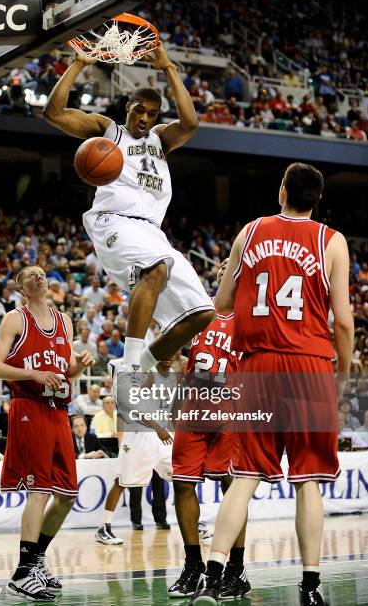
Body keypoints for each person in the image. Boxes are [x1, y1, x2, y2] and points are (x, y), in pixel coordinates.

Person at [191, 162, 354, 605]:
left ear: (282, 191)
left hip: (258, 365)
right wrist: (343, 374)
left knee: (243, 478)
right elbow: (342, 320)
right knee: (308, 481)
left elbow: (221, 303)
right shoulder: (332, 241)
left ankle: (213, 573)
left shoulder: (250, 231)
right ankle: (310, 586)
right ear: (317, 199)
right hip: (310, 366)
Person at [43, 43, 214, 416]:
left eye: (152, 113)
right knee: (156, 269)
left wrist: (168, 67)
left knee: (202, 314)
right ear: (128, 109)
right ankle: (133, 366)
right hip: (114, 222)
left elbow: (191, 124)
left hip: (152, 232)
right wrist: (78, 65)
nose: (145, 118)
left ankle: (136, 368)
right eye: (140, 110)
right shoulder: (109, 132)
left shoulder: (160, 140)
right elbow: (53, 112)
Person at [0, 265, 94, 602]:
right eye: (31, 275)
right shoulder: (15, 319)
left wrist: (79, 366)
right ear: (21, 287)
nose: (39, 276)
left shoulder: (64, 320)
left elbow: (65, 372)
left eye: (42, 273)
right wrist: (32, 374)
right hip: (28, 409)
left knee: (66, 495)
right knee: (40, 491)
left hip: (58, 412)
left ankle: (36, 560)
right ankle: (22, 573)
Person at [168, 261, 250, 600]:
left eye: (233, 266)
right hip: (194, 409)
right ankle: (192, 566)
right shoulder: (197, 310)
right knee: (182, 483)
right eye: (222, 265)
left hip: (231, 411)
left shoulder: (250, 318)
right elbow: (180, 358)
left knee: (233, 489)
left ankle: (236, 568)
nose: (225, 268)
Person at [94, 360, 176, 545]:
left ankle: (194, 522)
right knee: (121, 482)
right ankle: (104, 527)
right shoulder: (124, 386)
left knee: (182, 477)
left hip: (159, 439)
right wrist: (159, 428)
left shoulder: (155, 381)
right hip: (137, 439)